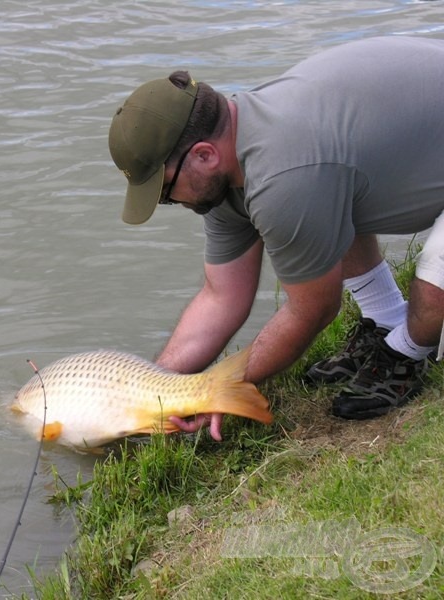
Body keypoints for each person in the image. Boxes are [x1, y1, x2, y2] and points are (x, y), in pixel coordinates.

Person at [108, 36, 444, 440]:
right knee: (328, 196)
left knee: (434, 290)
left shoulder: (283, 176)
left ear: (203, 155)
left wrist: (215, 390)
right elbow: (221, 296)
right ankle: (385, 319)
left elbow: (313, 309)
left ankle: (407, 352)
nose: (169, 201)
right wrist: (155, 390)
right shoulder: (231, 160)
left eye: (164, 192)